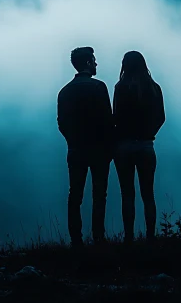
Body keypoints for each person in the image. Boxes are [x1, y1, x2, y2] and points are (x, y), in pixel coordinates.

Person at [57, 46, 114, 247]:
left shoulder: (64, 91)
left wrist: (72, 141)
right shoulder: (99, 87)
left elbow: (61, 122)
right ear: (89, 62)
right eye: (94, 60)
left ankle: (76, 240)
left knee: (75, 195)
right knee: (99, 195)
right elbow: (108, 120)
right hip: (99, 150)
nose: (96, 63)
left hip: (75, 150)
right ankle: (98, 237)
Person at [112, 51, 165, 243]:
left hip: (124, 146)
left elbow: (115, 116)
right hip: (146, 146)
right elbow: (161, 117)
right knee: (148, 193)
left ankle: (129, 238)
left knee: (127, 194)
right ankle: (151, 237)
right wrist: (148, 133)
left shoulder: (120, 87)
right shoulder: (153, 88)